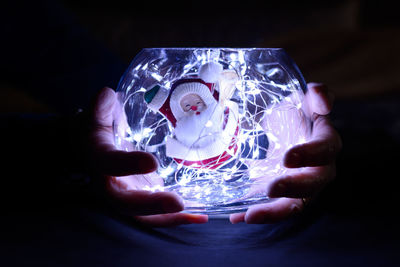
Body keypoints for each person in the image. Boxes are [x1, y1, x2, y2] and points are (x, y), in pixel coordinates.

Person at [86, 82, 341, 227]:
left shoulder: (219, 110)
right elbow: (156, 99)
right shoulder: (177, 119)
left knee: (243, 160)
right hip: (190, 159)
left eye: (197, 101)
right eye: (186, 104)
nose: (193, 106)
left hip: (229, 152)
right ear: (177, 108)